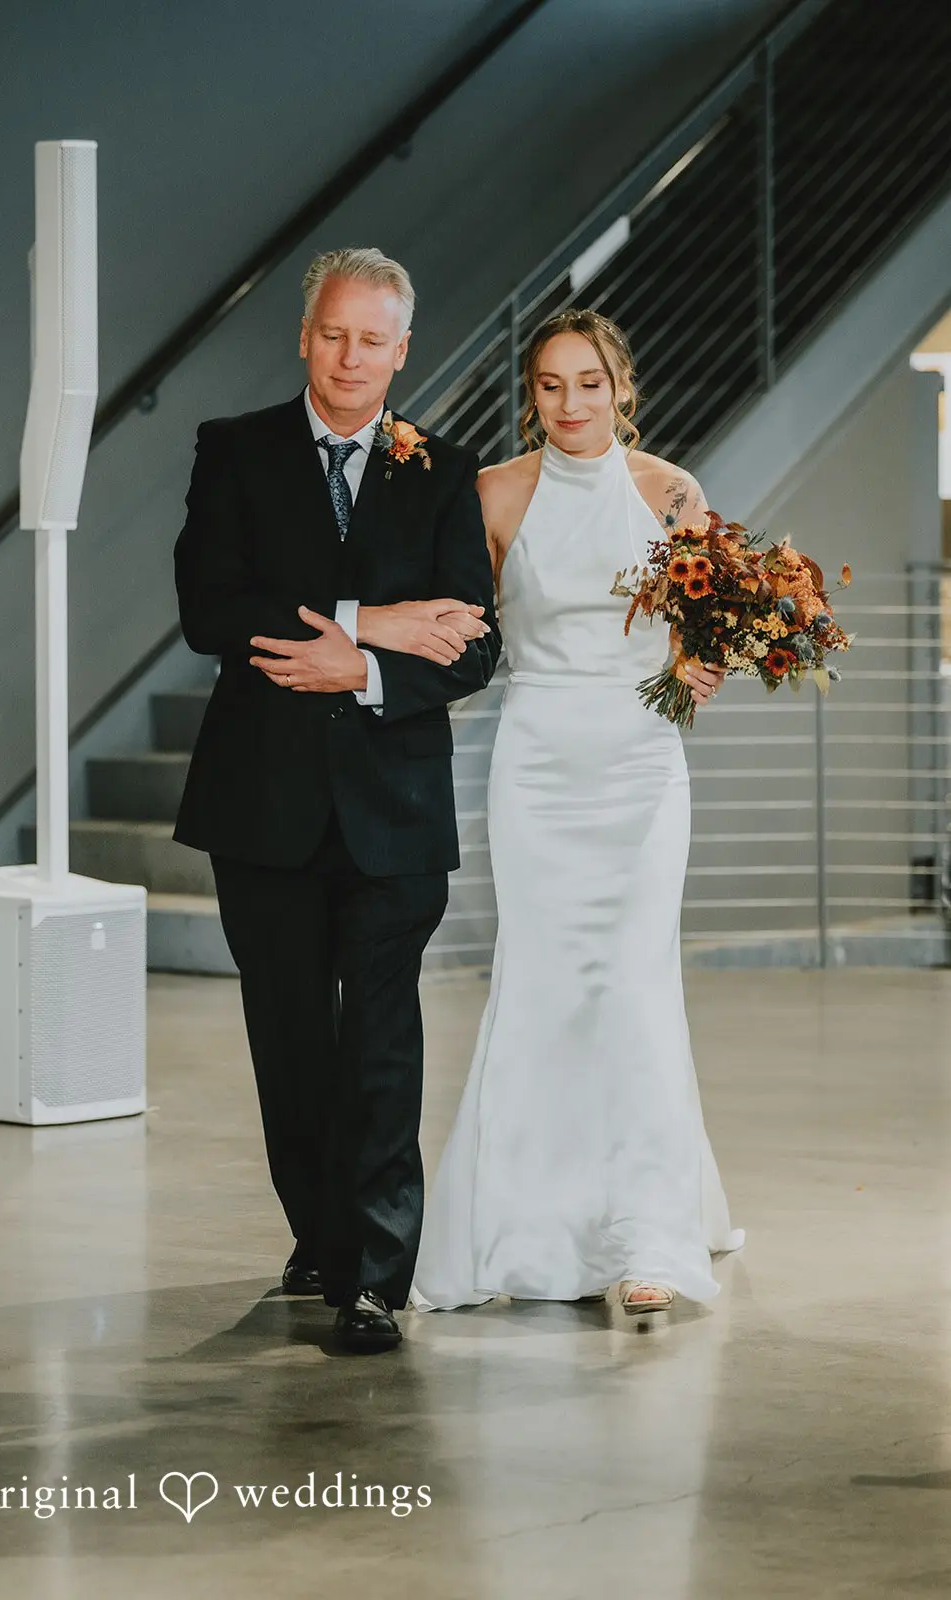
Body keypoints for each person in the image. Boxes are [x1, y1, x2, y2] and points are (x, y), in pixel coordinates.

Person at [172, 247, 501, 1352]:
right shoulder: (234, 450)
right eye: (332, 334)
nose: (350, 357)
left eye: (372, 339)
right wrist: (376, 619)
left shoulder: (445, 470)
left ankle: (374, 1274)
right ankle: (320, 1233)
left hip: (392, 809)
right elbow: (210, 608)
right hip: (260, 804)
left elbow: (471, 647)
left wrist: (361, 664)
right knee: (291, 1042)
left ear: (402, 351)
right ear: (303, 337)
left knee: (382, 1043)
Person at [411, 308, 744, 1316]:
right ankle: (527, 1229)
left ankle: (648, 1236)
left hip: (642, 764)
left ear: (621, 387)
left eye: (589, 383)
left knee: (635, 986)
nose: (570, 403)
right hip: (537, 764)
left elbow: (713, 629)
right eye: (550, 385)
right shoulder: (493, 493)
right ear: (532, 394)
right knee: (544, 986)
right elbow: (467, 631)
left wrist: (703, 667)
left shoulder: (671, 491)